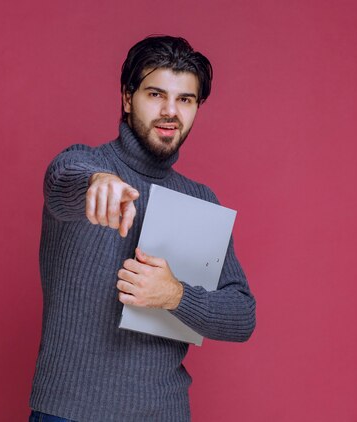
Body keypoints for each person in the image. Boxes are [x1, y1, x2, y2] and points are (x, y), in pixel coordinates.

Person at [29, 35, 256, 422]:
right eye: (155, 94)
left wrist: (176, 295)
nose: (170, 111)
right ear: (126, 98)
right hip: (68, 413)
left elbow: (242, 315)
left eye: (185, 100)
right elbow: (62, 180)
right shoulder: (83, 163)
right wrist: (97, 182)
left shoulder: (201, 200)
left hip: (163, 413)